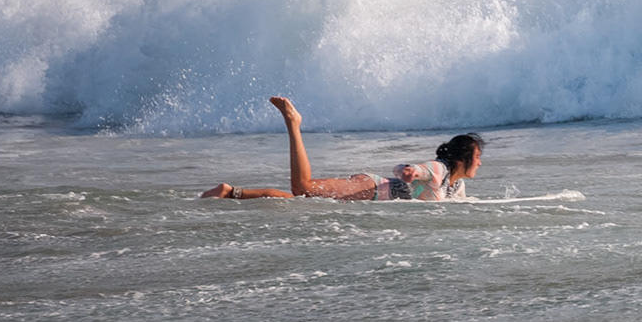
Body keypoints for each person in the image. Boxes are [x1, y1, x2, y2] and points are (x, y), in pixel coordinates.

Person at [200, 96, 483, 202]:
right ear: (462, 159)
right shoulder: (438, 170)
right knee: (303, 188)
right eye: (478, 157)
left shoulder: (454, 186)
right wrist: (408, 171)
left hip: (370, 198)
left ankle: (229, 192)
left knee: (297, 201)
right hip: (371, 188)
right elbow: (410, 169)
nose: (480, 164)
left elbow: (459, 204)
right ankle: (294, 123)